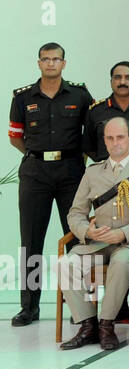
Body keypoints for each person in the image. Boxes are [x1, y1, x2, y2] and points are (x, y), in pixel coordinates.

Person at [9, 42, 95, 326]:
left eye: (55, 59)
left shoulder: (80, 95)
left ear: (64, 63)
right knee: (31, 241)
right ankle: (29, 308)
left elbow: (91, 132)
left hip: (71, 171)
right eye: (45, 59)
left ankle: (79, 307)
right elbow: (15, 137)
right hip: (35, 173)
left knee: (78, 239)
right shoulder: (22, 98)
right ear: (38, 63)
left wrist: (71, 159)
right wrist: (38, 158)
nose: (50, 64)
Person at [57, 115, 129, 350]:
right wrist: (87, 231)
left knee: (122, 263)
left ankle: (106, 325)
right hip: (96, 242)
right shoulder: (92, 172)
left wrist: (123, 234)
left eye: (120, 137)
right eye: (110, 138)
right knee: (65, 264)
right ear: (104, 141)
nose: (116, 143)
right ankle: (87, 325)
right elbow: (75, 213)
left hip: (127, 243)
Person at [84, 61, 129, 163]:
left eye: (128, 77)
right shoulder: (96, 111)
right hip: (106, 174)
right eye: (117, 77)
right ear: (111, 81)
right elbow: (89, 147)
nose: (122, 82)